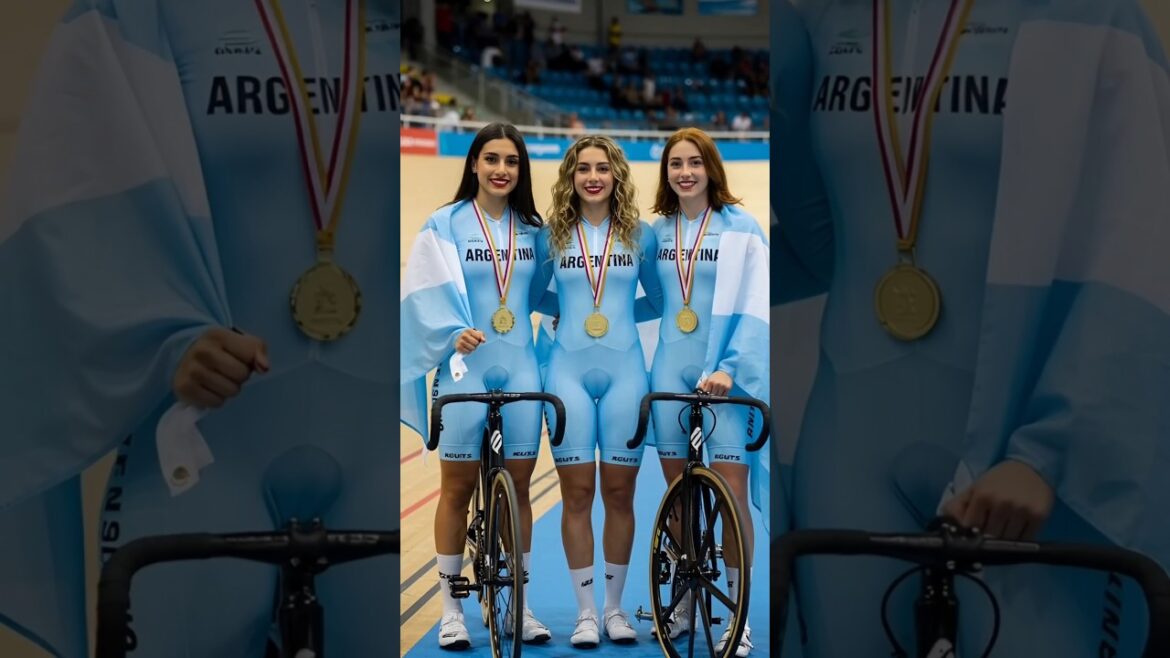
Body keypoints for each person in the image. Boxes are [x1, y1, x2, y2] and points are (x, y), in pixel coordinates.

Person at [0, 0, 401, 656]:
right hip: (205, 439)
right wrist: (164, 333)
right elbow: (69, 214)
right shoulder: (148, 11)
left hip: (383, 445)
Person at [778, 0, 1170, 655]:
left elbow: (1142, 251)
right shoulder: (818, 18)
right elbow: (814, 240)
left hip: (1031, 469)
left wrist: (1055, 451)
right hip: (847, 447)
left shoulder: (1096, 16)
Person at [400, 123, 552, 650]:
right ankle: (450, 611)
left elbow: (559, 294)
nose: (501, 170)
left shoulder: (534, 230)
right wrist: (448, 333)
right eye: (492, 159)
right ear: (474, 164)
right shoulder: (443, 224)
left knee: (521, 492)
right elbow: (418, 295)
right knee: (458, 489)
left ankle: (521, 604)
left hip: (521, 367)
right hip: (464, 369)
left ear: (520, 169)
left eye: (511, 161)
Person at [532, 135, 663, 647]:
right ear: (571, 175)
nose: (593, 177)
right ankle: (585, 611)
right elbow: (530, 295)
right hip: (566, 371)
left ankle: (614, 609)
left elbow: (656, 298)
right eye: (583, 168)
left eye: (602, 168)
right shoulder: (551, 237)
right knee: (578, 494)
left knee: (619, 494)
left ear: (616, 176)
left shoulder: (641, 235)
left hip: (627, 372)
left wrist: (613, 321)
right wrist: (570, 314)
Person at [643, 127, 770, 656]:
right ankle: (685, 606)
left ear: (711, 168)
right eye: (676, 164)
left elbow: (758, 306)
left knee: (731, 495)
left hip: (726, 379)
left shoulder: (742, 227)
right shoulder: (658, 231)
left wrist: (731, 366)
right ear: (666, 172)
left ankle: (735, 618)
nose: (685, 172)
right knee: (679, 501)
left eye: (694, 162)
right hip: (669, 372)